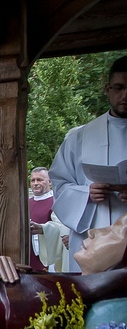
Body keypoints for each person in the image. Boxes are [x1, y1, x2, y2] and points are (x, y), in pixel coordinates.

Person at [50, 56, 127, 272]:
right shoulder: (79, 137)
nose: (125, 95)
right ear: (107, 89)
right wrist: (86, 194)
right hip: (92, 234)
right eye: (119, 87)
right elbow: (60, 184)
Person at [28, 167, 68, 271]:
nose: (35, 183)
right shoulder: (26, 202)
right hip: (27, 253)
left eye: (40, 180)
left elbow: (61, 227)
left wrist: (43, 229)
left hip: (46, 254)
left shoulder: (56, 201)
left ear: (50, 182)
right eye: (33, 180)